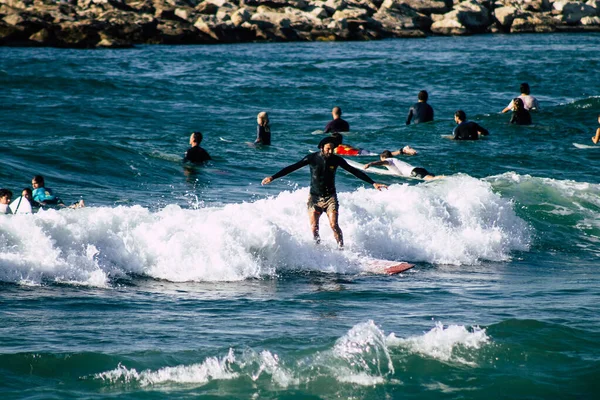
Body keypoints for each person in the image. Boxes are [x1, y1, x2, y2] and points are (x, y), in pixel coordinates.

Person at [261, 137, 387, 248]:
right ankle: (318, 248)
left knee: (334, 225)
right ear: (322, 148)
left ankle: (341, 248)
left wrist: (373, 183)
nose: (330, 151)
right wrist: (273, 177)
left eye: (332, 149)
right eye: (328, 149)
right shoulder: (312, 158)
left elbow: (354, 171)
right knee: (314, 228)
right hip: (314, 198)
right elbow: (292, 167)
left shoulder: (336, 160)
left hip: (330, 197)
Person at [364, 151, 443, 181]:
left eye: (381, 159)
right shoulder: (395, 160)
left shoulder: (389, 160)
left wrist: (370, 164)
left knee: (432, 179)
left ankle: (447, 178)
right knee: (434, 179)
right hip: (418, 169)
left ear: (384, 158)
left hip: (413, 172)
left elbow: (380, 163)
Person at [330, 133, 418, 156]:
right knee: (381, 155)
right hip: (361, 151)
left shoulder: (335, 149)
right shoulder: (344, 145)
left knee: (382, 156)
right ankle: (402, 151)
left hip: (359, 154)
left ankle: (402, 150)